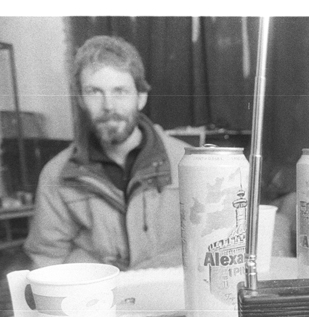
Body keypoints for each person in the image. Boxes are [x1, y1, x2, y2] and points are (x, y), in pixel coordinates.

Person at [24, 35, 189, 270]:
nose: (109, 106)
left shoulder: (190, 164)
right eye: (94, 92)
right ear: (81, 100)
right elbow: (47, 261)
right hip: (97, 293)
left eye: (120, 91)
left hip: (173, 293)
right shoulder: (57, 175)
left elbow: (218, 246)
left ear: (141, 97)